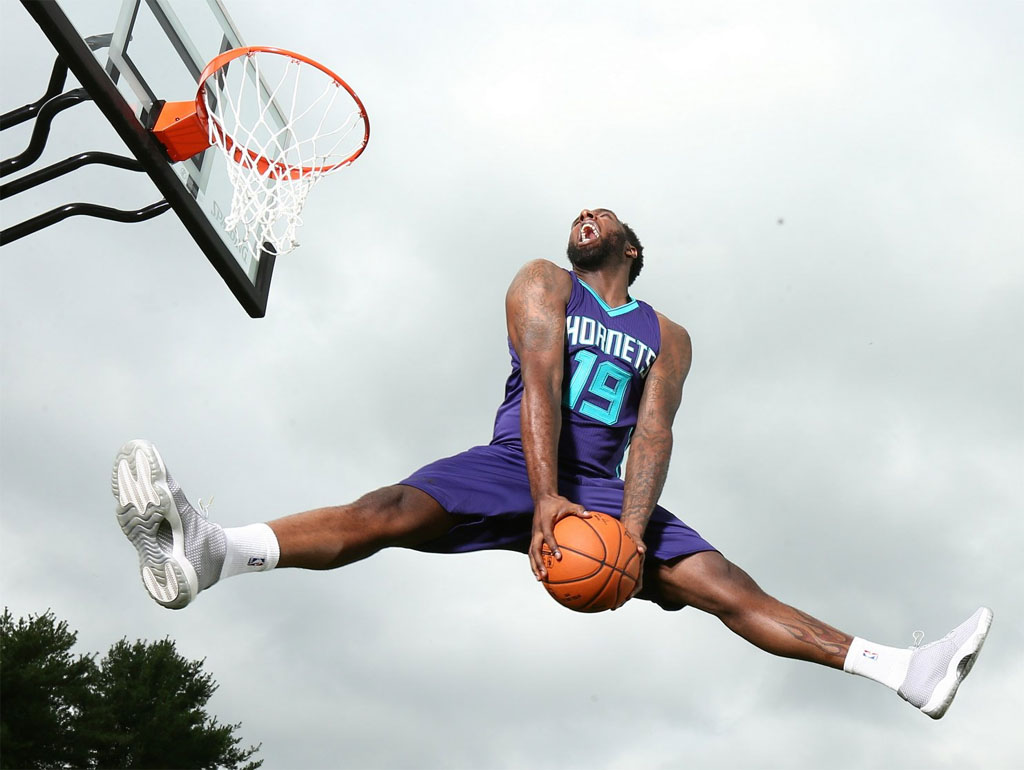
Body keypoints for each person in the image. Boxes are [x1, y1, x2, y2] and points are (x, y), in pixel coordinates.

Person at [112, 207, 992, 719]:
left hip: (611, 494)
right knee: (386, 512)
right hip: (517, 463)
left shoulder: (669, 336)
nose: (585, 216)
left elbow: (654, 438)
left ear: (632, 249)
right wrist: (544, 502)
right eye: (582, 215)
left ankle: (903, 674)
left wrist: (631, 536)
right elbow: (540, 387)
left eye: (604, 216)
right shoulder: (544, 281)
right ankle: (211, 550)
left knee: (729, 589)